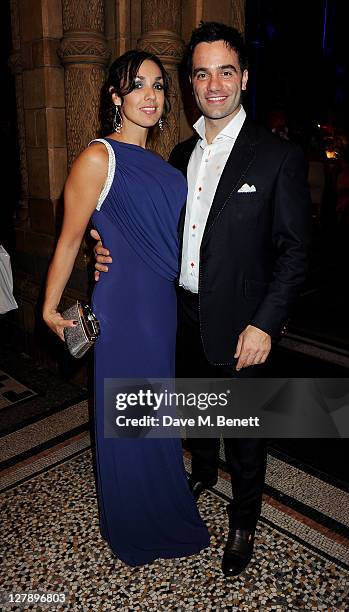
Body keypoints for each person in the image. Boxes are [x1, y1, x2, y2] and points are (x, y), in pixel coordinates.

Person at [93, 22, 311, 576]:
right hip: (177, 312)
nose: (215, 84)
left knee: (244, 431)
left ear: (244, 78)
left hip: (243, 322)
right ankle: (200, 473)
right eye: (202, 73)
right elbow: (153, 228)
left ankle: (242, 522)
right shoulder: (179, 154)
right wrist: (105, 246)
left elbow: (294, 253)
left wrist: (265, 324)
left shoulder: (275, 156)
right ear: (191, 84)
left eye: (226, 71)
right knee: (189, 411)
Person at [42, 49, 210, 567]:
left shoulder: (166, 163)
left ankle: (162, 503)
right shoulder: (99, 156)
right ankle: (133, 519)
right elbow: (70, 240)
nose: (150, 96)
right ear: (116, 97)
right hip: (123, 306)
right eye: (137, 85)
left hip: (160, 303)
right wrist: (49, 309)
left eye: (158, 85)